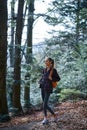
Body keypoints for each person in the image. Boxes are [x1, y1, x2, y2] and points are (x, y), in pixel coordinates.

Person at [39, 57, 60, 125]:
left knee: (45, 104)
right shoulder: (44, 70)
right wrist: (40, 81)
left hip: (48, 88)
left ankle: (45, 118)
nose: (45, 62)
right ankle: (53, 115)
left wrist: (52, 78)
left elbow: (58, 78)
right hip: (42, 87)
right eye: (45, 61)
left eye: (47, 61)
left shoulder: (53, 70)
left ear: (50, 62)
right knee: (45, 105)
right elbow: (43, 77)